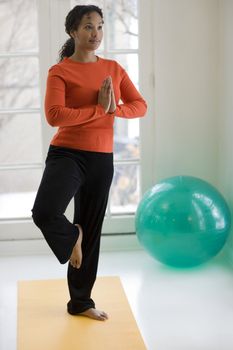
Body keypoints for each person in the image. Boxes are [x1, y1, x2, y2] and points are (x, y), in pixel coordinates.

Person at [31, 4, 147, 321]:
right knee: (44, 212)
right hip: (67, 153)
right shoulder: (60, 71)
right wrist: (99, 110)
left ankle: (80, 303)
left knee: (92, 229)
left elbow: (140, 105)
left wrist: (113, 110)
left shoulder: (113, 68)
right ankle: (71, 237)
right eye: (87, 27)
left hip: (100, 157)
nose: (94, 33)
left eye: (99, 26)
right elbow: (55, 116)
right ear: (72, 31)